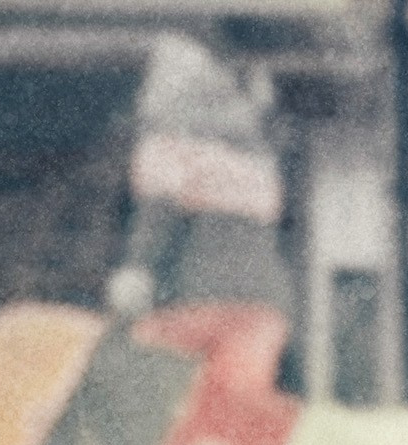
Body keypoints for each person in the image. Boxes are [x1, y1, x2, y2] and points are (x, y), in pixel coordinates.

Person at [107, 26, 294, 319]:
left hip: (193, 301)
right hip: (263, 308)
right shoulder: (258, 158)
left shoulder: (168, 146)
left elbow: (156, 220)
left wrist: (133, 275)